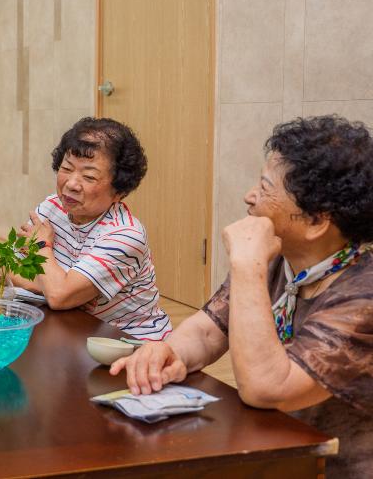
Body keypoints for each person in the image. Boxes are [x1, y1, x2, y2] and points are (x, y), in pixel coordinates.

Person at [110, 115, 373, 476]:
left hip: (332, 469)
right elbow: (207, 330)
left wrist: (247, 264)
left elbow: (268, 387)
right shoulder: (282, 257)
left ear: (316, 222)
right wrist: (171, 351)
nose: (249, 197)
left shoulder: (363, 295)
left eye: (265, 189)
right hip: (275, 450)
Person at [9, 117, 172, 340]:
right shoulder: (51, 207)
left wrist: (42, 246)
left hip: (127, 343)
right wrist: (55, 283)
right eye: (67, 168)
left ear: (119, 191)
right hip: (73, 333)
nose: (71, 184)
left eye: (89, 176)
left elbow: (58, 296)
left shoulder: (125, 235)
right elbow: (7, 266)